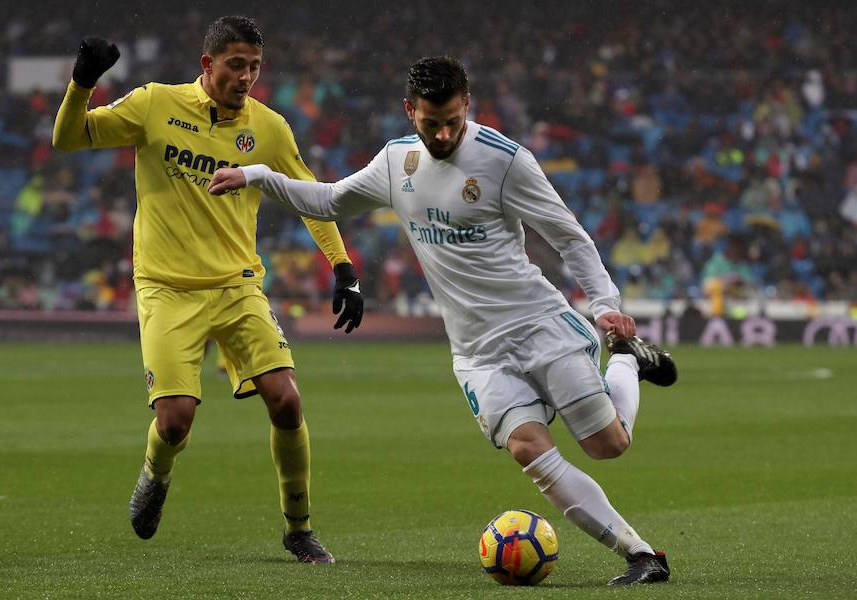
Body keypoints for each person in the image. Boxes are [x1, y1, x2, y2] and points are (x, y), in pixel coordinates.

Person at [209, 56, 678, 585]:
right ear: (410, 111)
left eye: (453, 121)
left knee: (608, 445)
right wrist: (256, 175)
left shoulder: (505, 160)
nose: (444, 134)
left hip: (538, 324)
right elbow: (330, 201)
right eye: (431, 123)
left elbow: (568, 235)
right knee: (528, 448)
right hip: (478, 353)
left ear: (467, 105)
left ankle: (626, 360)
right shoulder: (397, 162)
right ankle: (641, 555)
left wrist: (605, 304)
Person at [53, 16, 365, 563]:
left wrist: (343, 267)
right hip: (167, 287)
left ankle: (299, 528)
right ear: (207, 64)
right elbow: (68, 138)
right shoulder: (155, 104)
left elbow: (309, 195)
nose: (246, 77)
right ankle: (156, 473)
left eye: (255, 67)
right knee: (174, 421)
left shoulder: (268, 128)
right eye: (236, 65)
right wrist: (82, 82)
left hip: (237, 286)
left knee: (287, 400)